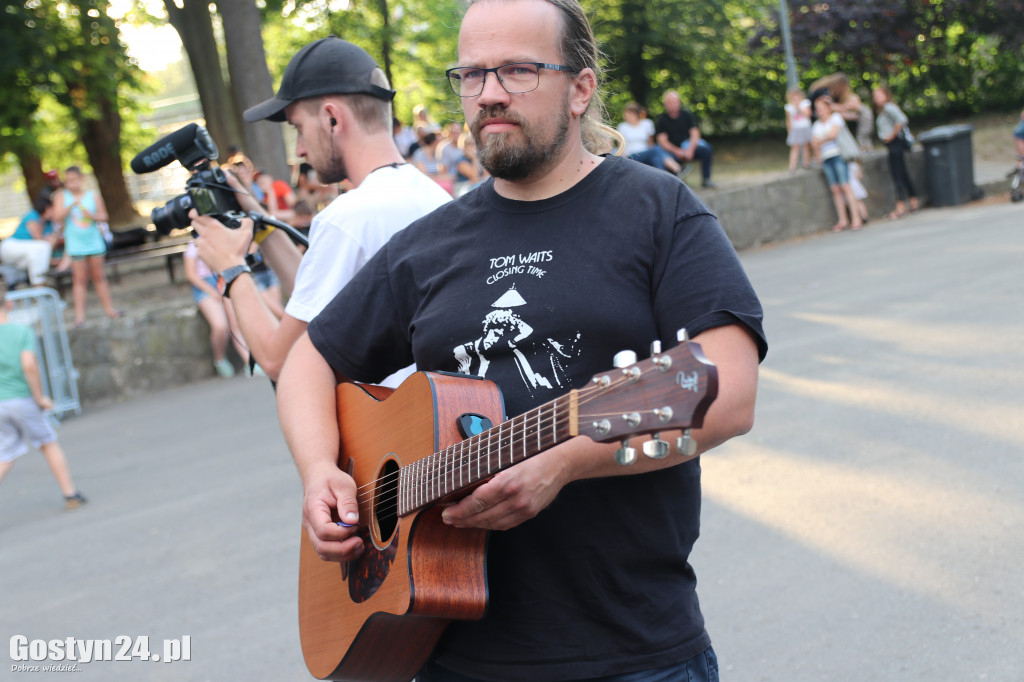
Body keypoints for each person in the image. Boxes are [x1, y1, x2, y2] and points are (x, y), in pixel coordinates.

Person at [276, 1, 766, 680]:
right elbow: (309, 358)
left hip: (633, 653)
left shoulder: (658, 212)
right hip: (447, 655)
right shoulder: (427, 246)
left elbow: (727, 391)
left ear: (581, 89)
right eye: (472, 75)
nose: (491, 94)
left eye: (518, 70)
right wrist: (320, 472)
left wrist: (565, 461)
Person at [189, 37, 452, 383]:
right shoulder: (430, 196)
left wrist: (231, 267)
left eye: (298, 128)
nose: (298, 149)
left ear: (331, 119)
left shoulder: (350, 217)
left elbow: (277, 360)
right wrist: (258, 219)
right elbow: (321, 300)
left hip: (387, 427)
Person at [0, 280, 87, 510]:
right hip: (21, 398)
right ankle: (70, 494)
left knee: (5, 454)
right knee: (48, 442)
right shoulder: (20, 332)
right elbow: (29, 365)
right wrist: (39, 397)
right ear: (9, 304)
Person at [50, 166, 121, 326]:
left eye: (74, 180)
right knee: (79, 279)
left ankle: (109, 310)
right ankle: (79, 316)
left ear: (81, 179)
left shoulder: (92, 195)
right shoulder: (61, 197)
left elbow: (104, 216)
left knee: (99, 277)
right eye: (68, 181)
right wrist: (70, 206)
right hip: (75, 244)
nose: (71, 184)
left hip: (94, 242)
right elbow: (56, 218)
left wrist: (92, 215)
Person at [182, 241, 249, 378]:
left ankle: (249, 361)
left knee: (236, 325)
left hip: (223, 280)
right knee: (220, 326)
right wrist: (211, 291)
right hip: (205, 286)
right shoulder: (193, 246)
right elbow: (191, 275)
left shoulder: (218, 239)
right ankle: (219, 359)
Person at [811, 96, 863, 232]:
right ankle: (843, 219)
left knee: (845, 186)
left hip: (838, 156)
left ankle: (856, 218)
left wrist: (820, 141)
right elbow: (814, 142)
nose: (820, 111)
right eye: (817, 109)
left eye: (822, 108)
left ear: (828, 108)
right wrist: (820, 145)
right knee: (835, 189)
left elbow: (832, 135)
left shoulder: (836, 118)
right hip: (826, 158)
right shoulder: (817, 125)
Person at [872, 85, 919, 219]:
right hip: (893, 145)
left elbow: (902, 120)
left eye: (879, 95)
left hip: (895, 144)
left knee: (897, 174)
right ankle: (913, 200)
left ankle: (900, 206)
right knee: (903, 173)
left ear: (886, 95)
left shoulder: (888, 108)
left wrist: (891, 135)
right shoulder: (883, 110)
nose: (876, 99)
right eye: (875, 96)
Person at [655, 89, 716, 187]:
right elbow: (662, 140)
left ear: (679, 102)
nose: (672, 104)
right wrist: (677, 151)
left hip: (688, 147)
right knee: (665, 157)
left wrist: (690, 149)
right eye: (669, 102)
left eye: (674, 101)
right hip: (672, 150)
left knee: (706, 150)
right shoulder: (662, 119)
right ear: (665, 104)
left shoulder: (687, 115)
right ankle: (675, 184)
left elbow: (695, 133)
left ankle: (706, 179)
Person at [1, 194, 58, 286]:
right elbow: (39, 239)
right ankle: (39, 284)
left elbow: (50, 247)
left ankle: (38, 286)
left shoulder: (48, 224)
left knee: (34, 257)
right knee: (43, 246)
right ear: (48, 208)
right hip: (11, 247)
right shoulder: (33, 215)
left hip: (25, 254)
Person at [618, 101, 682, 174]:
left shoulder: (647, 124)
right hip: (631, 156)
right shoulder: (622, 127)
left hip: (647, 153)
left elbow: (650, 143)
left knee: (656, 158)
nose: (626, 116)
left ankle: (662, 179)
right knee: (656, 149)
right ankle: (676, 169)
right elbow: (620, 147)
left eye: (629, 113)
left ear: (636, 114)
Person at [784, 88, 812, 171]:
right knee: (794, 147)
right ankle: (792, 166)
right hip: (795, 128)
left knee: (806, 146)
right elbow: (788, 119)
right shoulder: (789, 107)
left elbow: (808, 114)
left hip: (805, 126)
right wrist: (789, 130)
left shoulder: (805, 103)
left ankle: (806, 164)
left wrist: (798, 107)